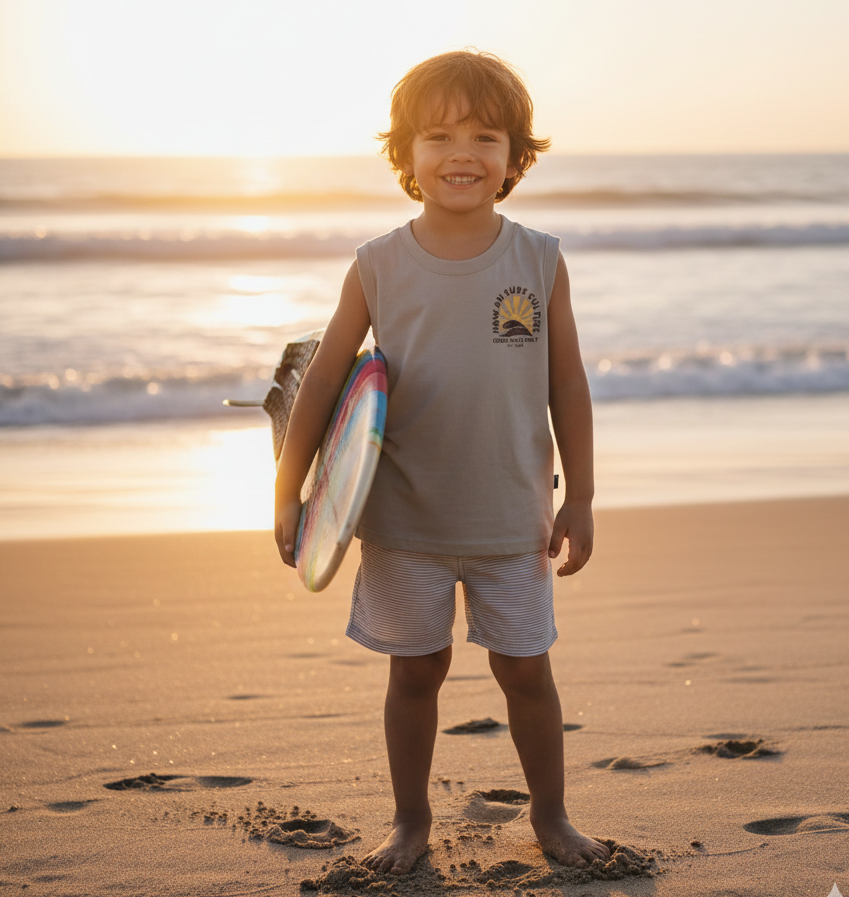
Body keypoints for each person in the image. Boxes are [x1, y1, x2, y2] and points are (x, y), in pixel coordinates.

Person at [274, 49, 607, 875]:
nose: (463, 152)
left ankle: (553, 815)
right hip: (404, 519)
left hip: (510, 515)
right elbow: (325, 383)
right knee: (416, 670)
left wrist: (585, 496)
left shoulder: (539, 258)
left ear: (515, 157)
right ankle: (410, 818)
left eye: (486, 136)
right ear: (406, 155)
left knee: (526, 671)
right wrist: (292, 490)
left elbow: (567, 381)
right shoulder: (378, 262)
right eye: (439, 135)